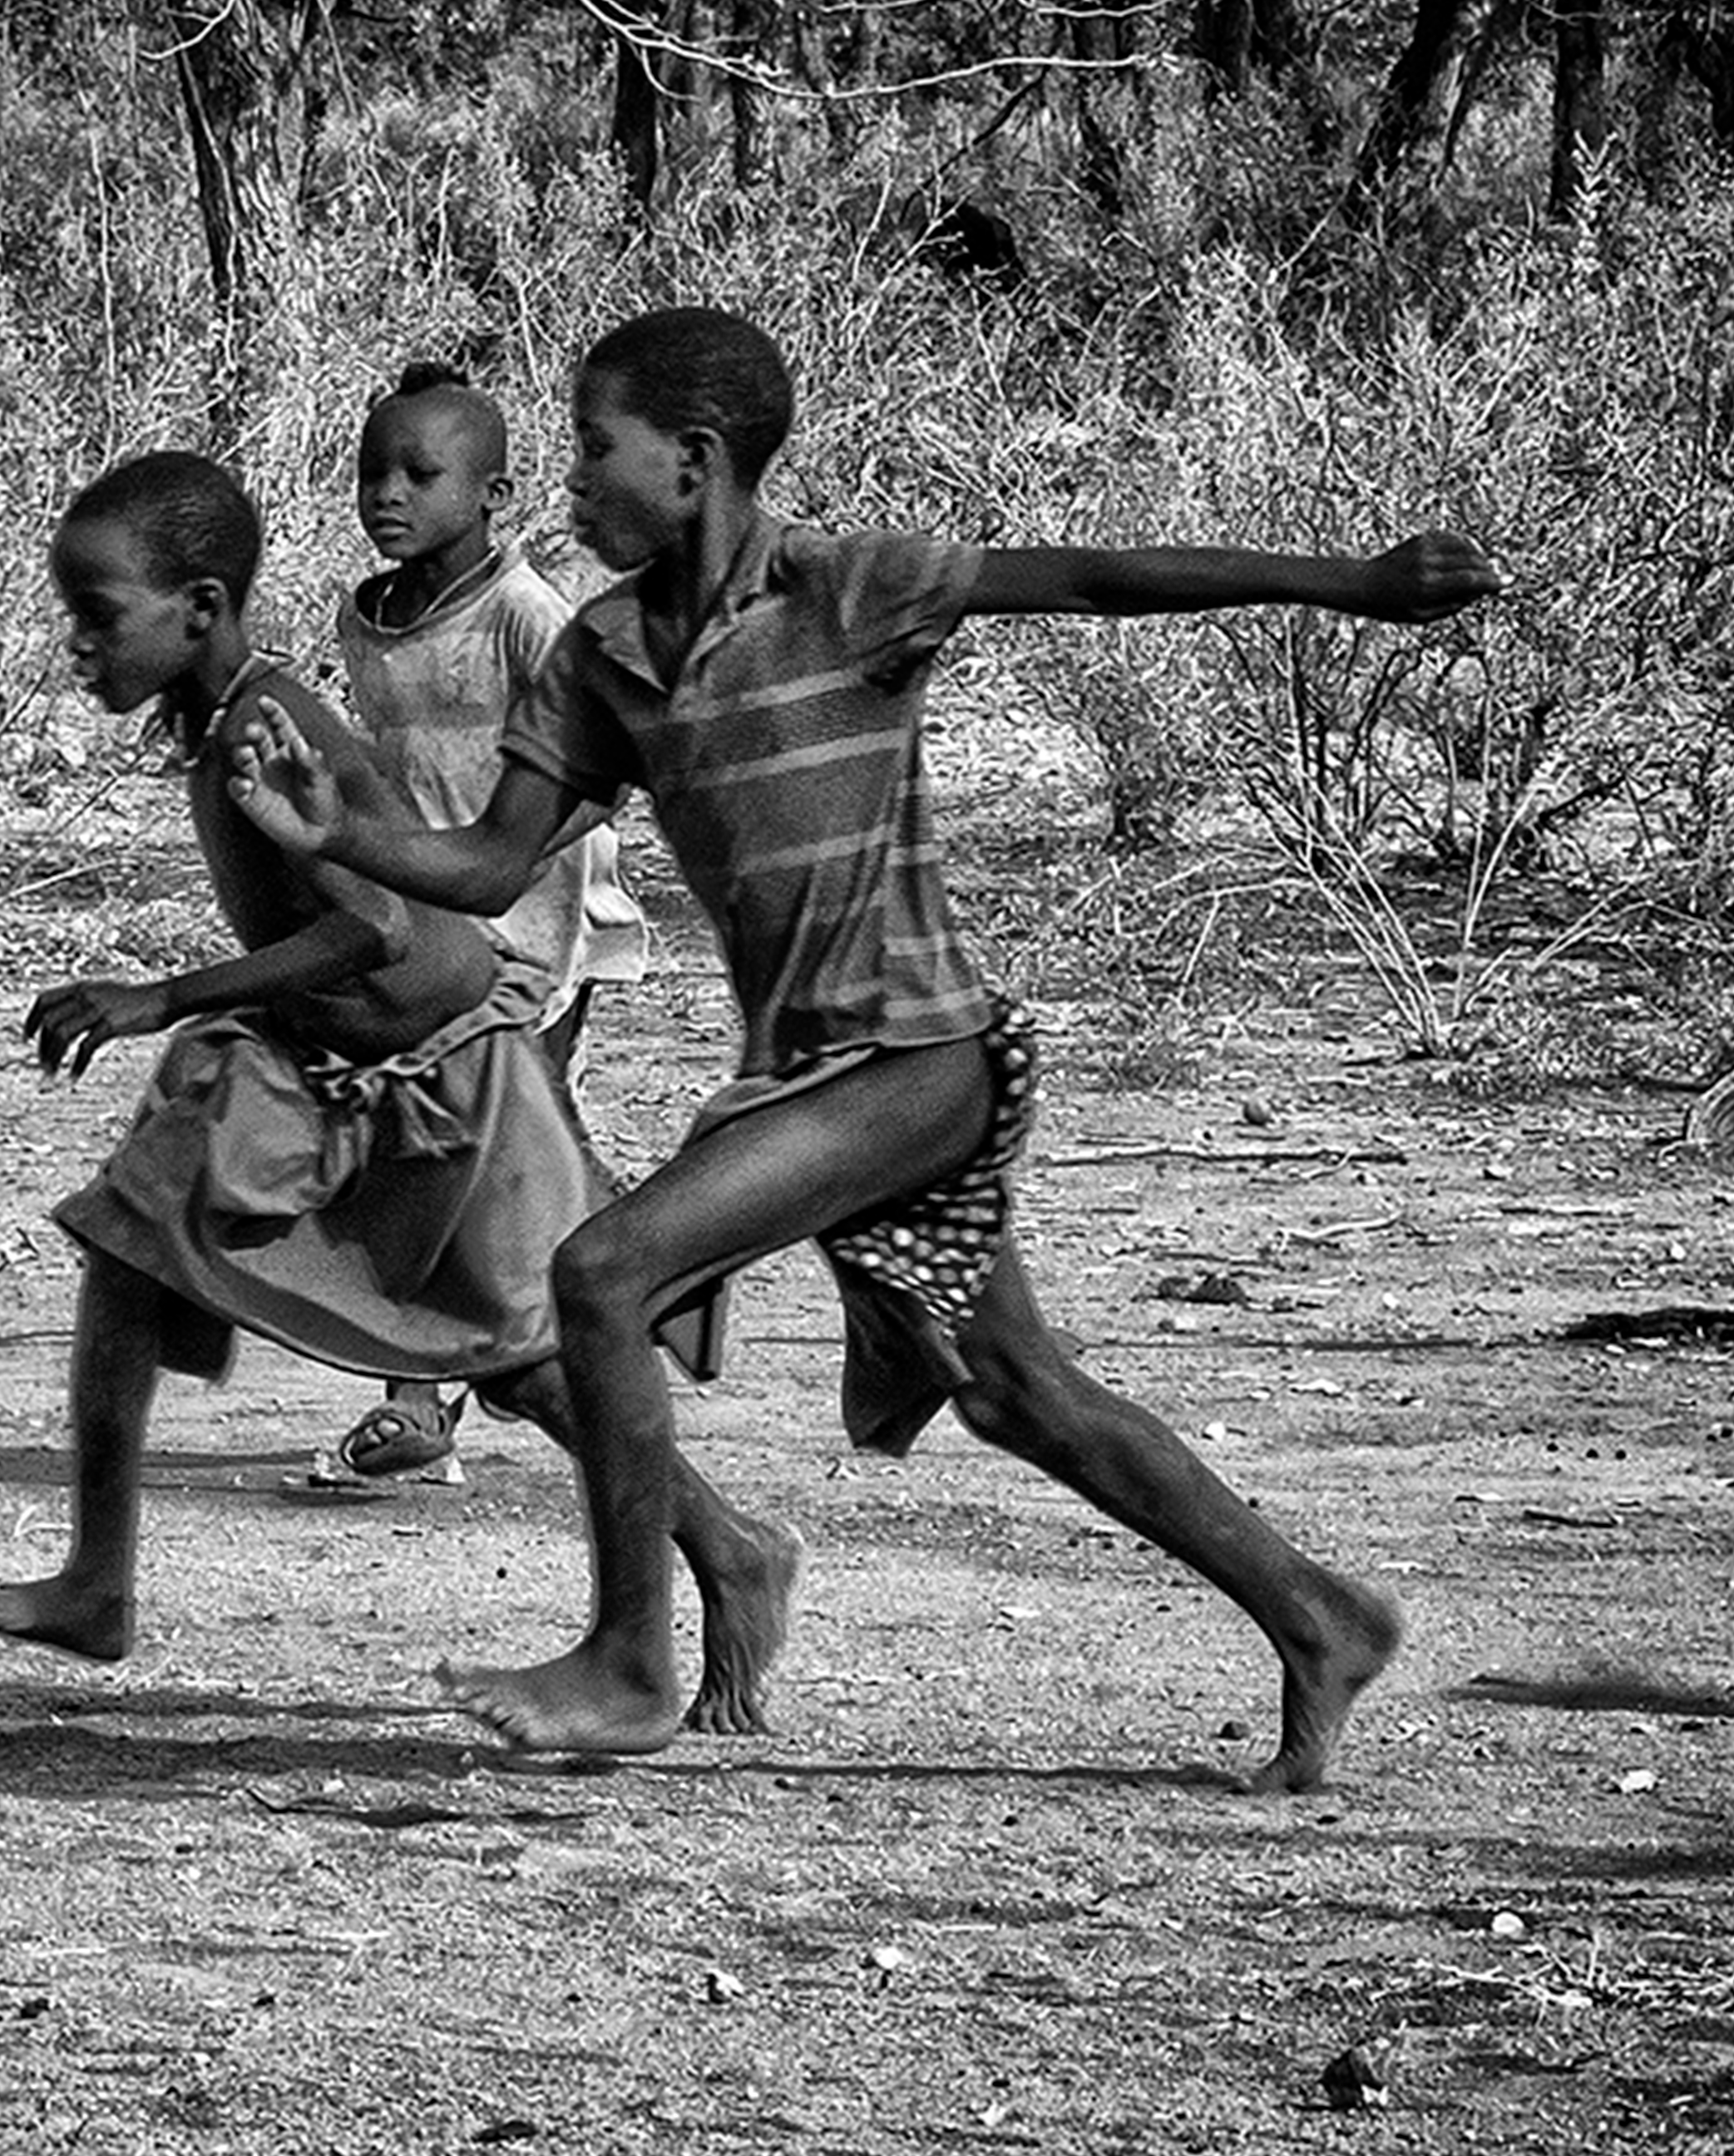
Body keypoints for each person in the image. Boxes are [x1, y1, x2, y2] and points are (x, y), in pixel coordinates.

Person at [229, 305, 1499, 1789]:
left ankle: (631, 1658)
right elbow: (493, 861)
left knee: (602, 1273)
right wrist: (342, 830)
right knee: (1018, 1394)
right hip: (815, 1082)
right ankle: (1320, 1616)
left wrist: (1349, 584)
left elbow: (1094, 578)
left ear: (693, 464)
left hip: (918, 1058)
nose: (571, 481)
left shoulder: (852, 590)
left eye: (594, 449)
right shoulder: (609, 655)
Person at [0, 450, 798, 1733]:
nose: (78, 643)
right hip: (335, 1062)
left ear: (203, 606)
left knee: (524, 1365)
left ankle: (730, 1549)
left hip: (445, 1070)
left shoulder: (267, 722)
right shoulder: (226, 713)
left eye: (99, 615)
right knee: (129, 1244)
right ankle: (97, 1584)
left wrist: (163, 998)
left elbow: (376, 931)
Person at [310, 360, 659, 1487]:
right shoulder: (367, 621)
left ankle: (436, 1394)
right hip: (430, 938)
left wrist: (500, 863)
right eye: (374, 472)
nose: (387, 495)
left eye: (421, 474)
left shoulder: (525, 618)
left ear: (494, 492)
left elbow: (603, 775)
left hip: (540, 932)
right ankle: (488, 1362)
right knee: (452, 1148)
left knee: (472, 1152)